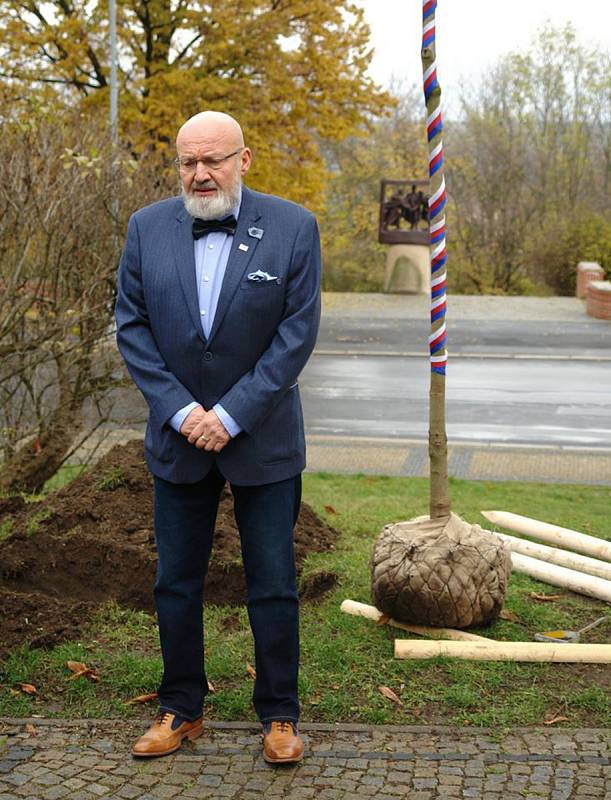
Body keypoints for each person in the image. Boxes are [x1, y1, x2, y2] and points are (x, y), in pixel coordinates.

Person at [115, 110, 321, 764]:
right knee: (175, 581)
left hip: (261, 437)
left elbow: (295, 337)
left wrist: (229, 415)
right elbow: (133, 328)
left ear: (244, 159)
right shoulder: (147, 229)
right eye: (187, 162)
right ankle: (180, 708)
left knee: (272, 581)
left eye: (214, 160)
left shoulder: (293, 228)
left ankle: (280, 716)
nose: (200, 174)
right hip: (178, 439)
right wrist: (182, 413)